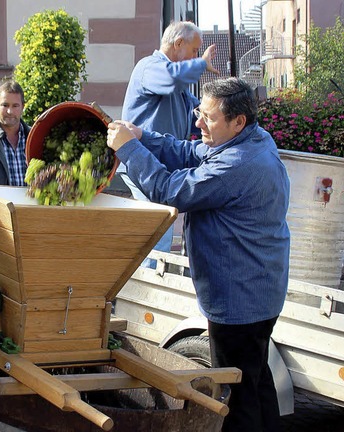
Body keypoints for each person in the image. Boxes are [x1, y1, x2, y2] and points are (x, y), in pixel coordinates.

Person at [107, 77, 290, 432]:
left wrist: (129, 150)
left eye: (208, 118)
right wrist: (143, 137)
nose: (197, 123)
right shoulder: (252, 137)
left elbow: (169, 190)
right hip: (260, 291)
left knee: (234, 395)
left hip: (239, 299)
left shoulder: (239, 164)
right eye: (199, 112)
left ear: (238, 121)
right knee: (255, 379)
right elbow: (191, 152)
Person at [120, 21, 218, 266]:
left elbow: (195, 108)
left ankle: (148, 289)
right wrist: (201, 65)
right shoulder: (150, 67)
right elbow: (171, 79)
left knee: (159, 234)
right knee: (157, 235)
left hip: (158, 166)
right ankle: (145, 294)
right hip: (142, 164)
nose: (195, 56)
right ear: (178, 44)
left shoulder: (177, 84)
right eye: (194, 51)